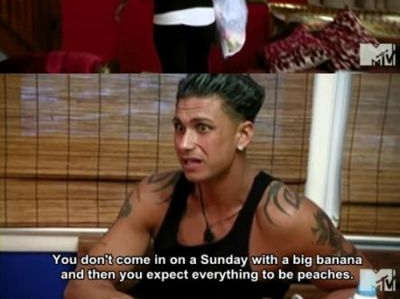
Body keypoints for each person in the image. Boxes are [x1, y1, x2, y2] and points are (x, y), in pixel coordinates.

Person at [65, 74, 373, 299]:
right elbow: (81, 287)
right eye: (179, 127)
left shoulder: (285, 216)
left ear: (243, 135)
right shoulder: (155, 196)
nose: (184, 144)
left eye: (202, 128)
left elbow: (372, 283)